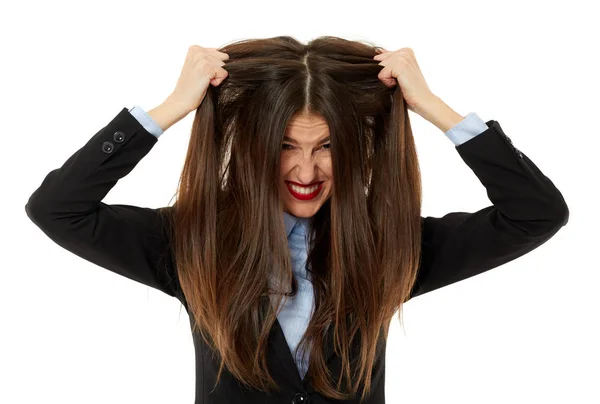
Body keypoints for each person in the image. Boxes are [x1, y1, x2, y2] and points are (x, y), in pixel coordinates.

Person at [25, 37, 569, 404]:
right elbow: (58, 208)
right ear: (254, 144)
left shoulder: (392, 248)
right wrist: (169, 109)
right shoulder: (194, 242)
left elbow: (536, 213)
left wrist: (430, 105)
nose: (305, 170)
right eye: (285, 145)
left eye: (327, 146)